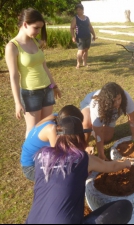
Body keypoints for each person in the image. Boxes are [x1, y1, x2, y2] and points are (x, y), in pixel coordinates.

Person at [26, 116, 133, 224]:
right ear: (78, 137)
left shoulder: (42, 156)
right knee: (124, 207)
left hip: (32, 221)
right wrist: (126, 163)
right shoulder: (81, 159)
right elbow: (112, 167)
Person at [5, 8, 61, 138]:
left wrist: (54, 86)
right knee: (33, 130)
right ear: (25, 24)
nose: (38, 32)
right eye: (36, 28)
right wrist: (17, 102)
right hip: (30, 93)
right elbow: (13, 76)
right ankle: (29, 158)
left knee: (47, 125)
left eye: (40, 28)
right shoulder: (12, 47)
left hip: (47, 89)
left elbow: (44, 67)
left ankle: (44, 155)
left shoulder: (36, 42)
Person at [21, 105, 94, 181]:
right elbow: (61, 156)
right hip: (31, 168)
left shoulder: (56, 117)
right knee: (72, 174)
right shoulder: (52, 130)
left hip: (35, 161)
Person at [80, 82, 134, 160]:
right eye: (114, 100)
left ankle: (95, 128)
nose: (117, 103)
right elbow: (99, 133)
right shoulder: (97, 105)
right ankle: (84, 145)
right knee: (86, 124)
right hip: (89, 105)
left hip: (110, 114)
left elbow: (131, 117)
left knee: (106, 138)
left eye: (119, 99)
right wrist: (101, 154)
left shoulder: (125, 97)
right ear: (108, 100)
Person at [70, 3, 96, 69]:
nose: (78, 11)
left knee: (86, 50)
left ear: (83, 10)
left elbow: (90, 27)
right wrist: (73, 37)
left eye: (80, 10)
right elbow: (72, 28)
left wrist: (94, 35)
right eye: (77, 10)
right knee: (80, 51)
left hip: (88, 36)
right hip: (80, 38)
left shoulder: (87, 18)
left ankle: (84, 63)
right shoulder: (75, 18)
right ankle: (78, 64)